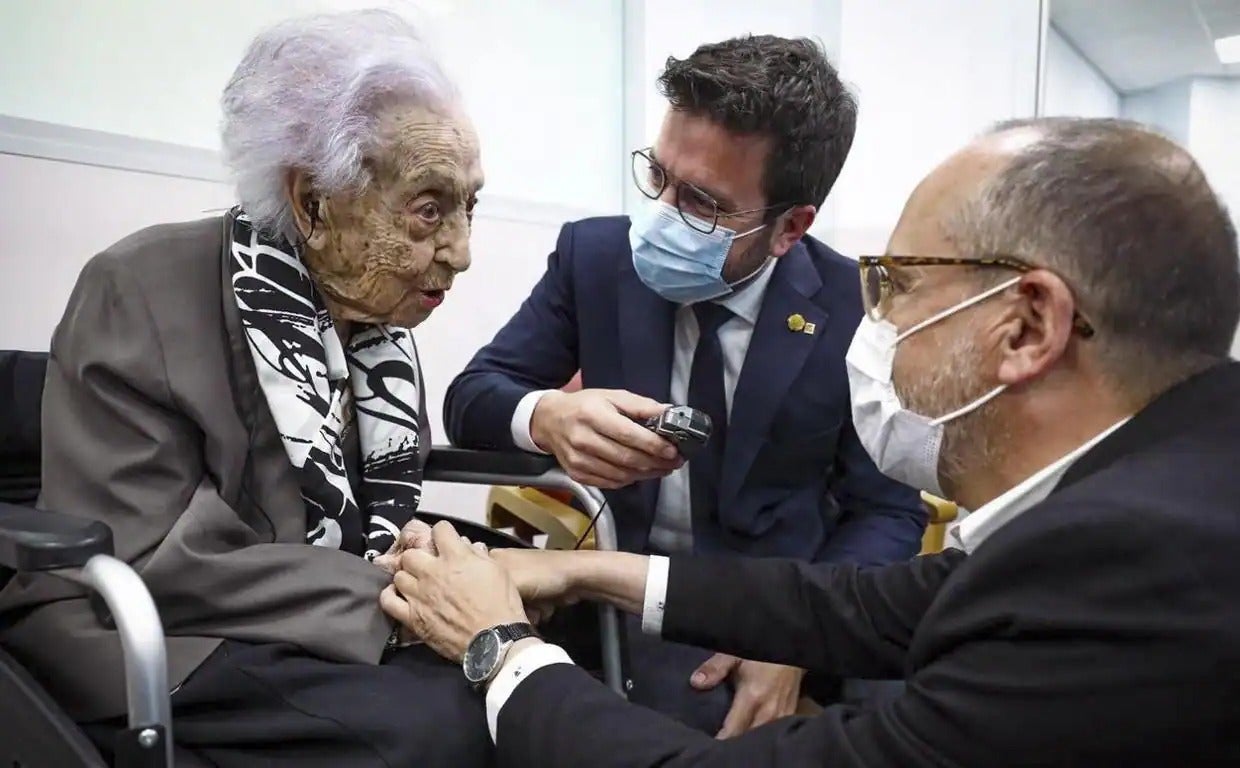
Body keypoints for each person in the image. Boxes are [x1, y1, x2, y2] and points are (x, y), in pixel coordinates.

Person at [386, 117, 1240, 766]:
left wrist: (498, 646)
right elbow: (873, 607)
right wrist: (580, 566)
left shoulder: (1136, 572)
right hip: (689, 612)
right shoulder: (1170, 486)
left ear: (1029, 327)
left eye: (899, 283)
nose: (879, 318)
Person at [0, 10, 493, 766]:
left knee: (523, 683)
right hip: (152, 626)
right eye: (430, 210)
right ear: (313, 204)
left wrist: (436, 561)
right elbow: (153, 555)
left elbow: (371, 517)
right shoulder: (136, 286)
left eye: (470, 207)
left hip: (309, 612)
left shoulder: (381, 323)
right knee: (440, 726)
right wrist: (401, 599)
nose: (460, 252)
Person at [442, 35, 925, 735]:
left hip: (779, 613)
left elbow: (887, 512)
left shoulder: (853, 310)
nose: (661, 216)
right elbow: (474, 395)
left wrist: (800, 638)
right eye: (658, 176)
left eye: (702, 202)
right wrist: (545, 415)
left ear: (790, 227)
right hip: (620, 603)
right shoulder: (594, 256)